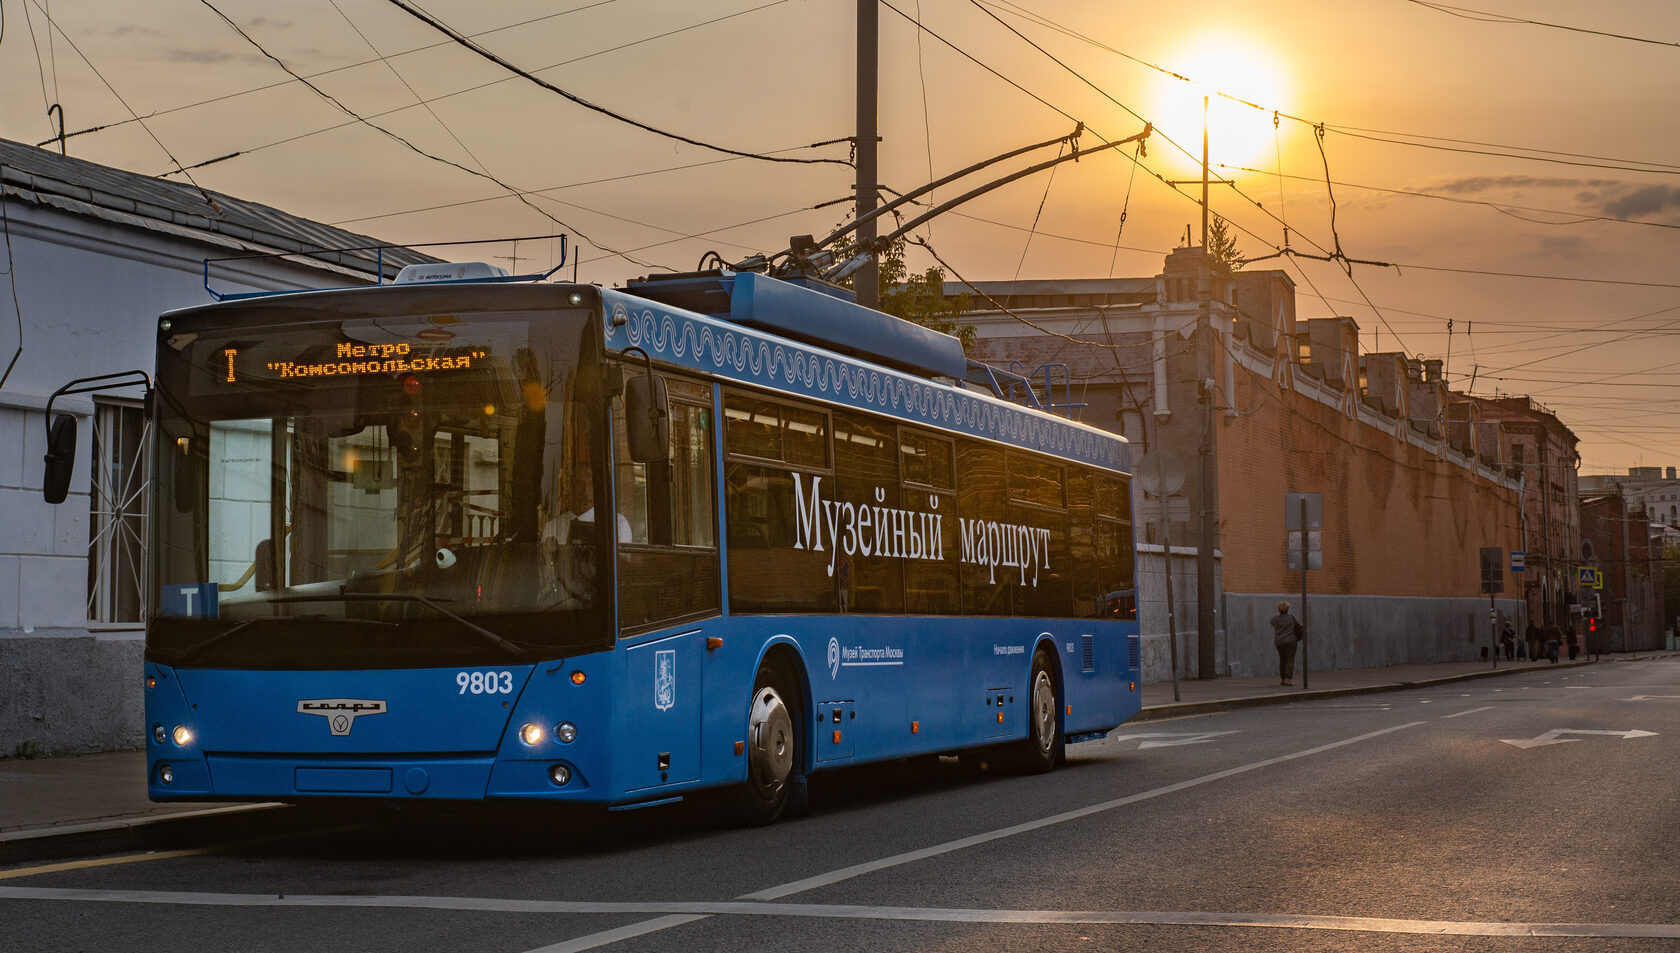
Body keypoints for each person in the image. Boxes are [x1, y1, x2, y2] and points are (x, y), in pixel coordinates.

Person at [1270, 601, 1304, 686]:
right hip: (1291, 641)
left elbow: (1272, 622)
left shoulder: (1275, 619)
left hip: (1280, 642)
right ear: (1287, 609)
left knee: (1282, 660)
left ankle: (1282, 679)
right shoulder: (1291, 618)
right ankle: (1288, 679)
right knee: (1290, 660)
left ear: (1279, 610)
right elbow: (1298, 626)